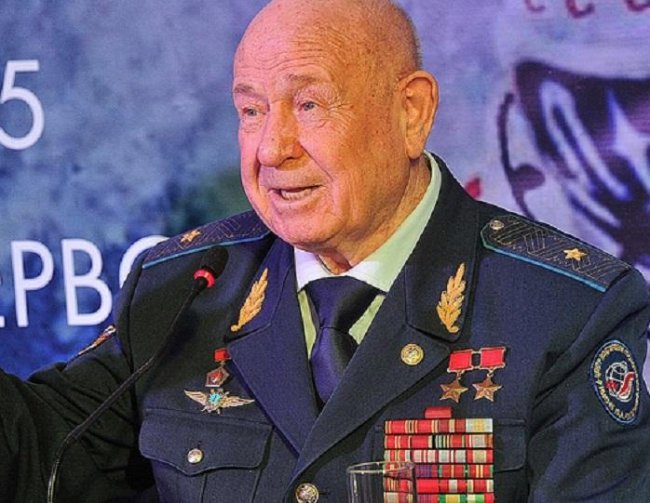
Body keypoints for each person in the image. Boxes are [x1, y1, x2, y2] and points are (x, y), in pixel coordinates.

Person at [1, 0, 649, 501]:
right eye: (251, 112)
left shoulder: (565, 312)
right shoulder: (183, 289)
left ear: (412, 112)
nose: (271, 148)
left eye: (308, 104)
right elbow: (41, 456)